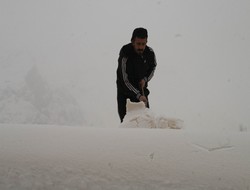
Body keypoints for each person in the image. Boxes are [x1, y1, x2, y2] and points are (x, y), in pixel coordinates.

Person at [116, 27, 157, 122]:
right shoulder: (125, 53)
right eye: (138, 44)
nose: (141, 47)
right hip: (125, 94)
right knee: (127, 123)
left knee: (147, 121)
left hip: (142, 91)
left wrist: (145, 79)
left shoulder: (150, 53)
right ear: (132, 41)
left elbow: (153, 66)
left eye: (143, 44)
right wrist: (138, 95)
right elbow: (124, 79)